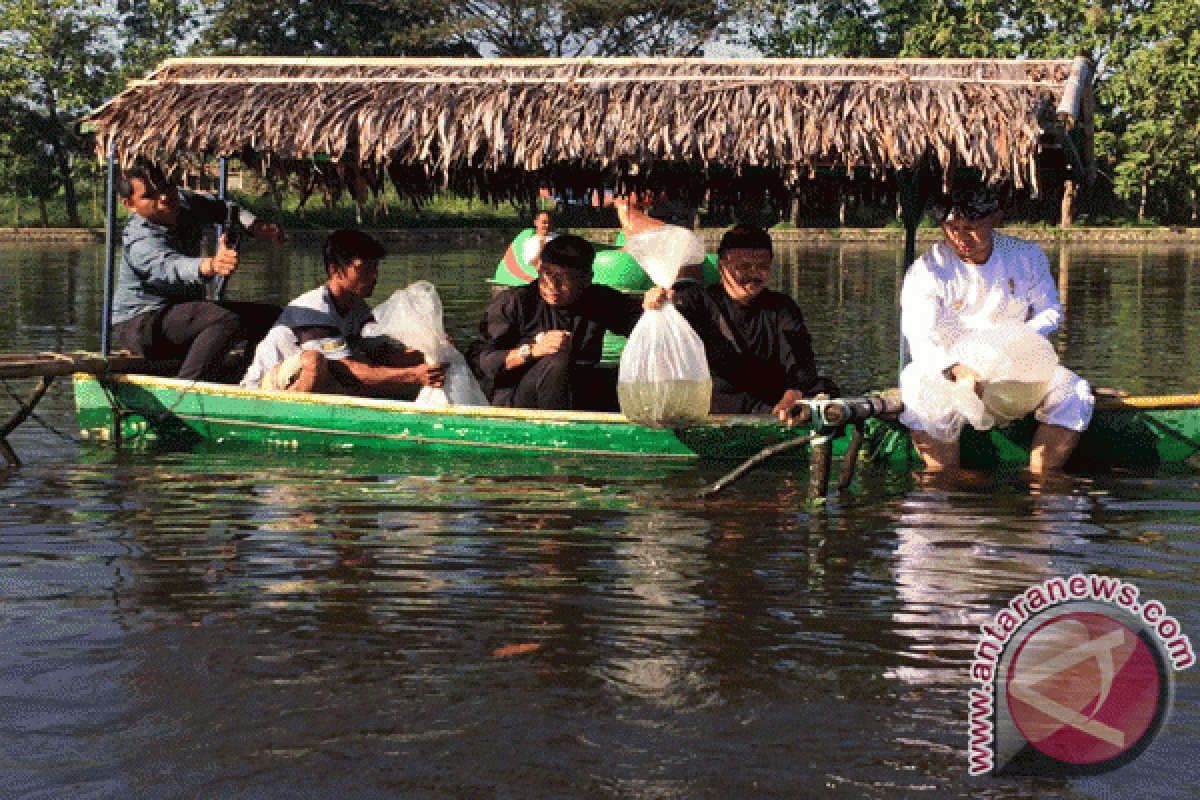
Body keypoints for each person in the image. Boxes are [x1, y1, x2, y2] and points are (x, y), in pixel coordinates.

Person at [899, 178, 1094, 472]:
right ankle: (940, 483)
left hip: (1015, 365)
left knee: (1074, 390)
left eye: (971, 228)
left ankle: (1042, 483)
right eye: (952, 229)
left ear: (994, 219)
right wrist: (956, 369)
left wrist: (1014, 341)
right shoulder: (927, 270)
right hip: (953, 373)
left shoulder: (1026, 255)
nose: (961, 238)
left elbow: (1051, 311)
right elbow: (920, 337)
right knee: (915, 383)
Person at [646, 225, 840, 421]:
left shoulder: (782, 307)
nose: (753, 274)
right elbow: (628, 318)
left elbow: (801, 361)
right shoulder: (694, 302)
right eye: (743, 267)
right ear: (722, 266)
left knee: (824, 387)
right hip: (719, 406)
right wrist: (658, 303)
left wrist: (794, 395)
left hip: (774, 407)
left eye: (762, 267)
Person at [112, 163, 285, 381]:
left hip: (183, 317)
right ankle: (184, 393)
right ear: (130, 205)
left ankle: (251, 380)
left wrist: (256, 227)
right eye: (150, 196)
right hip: (142, 324)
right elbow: (169, 267)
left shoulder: (184, 202)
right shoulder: (139, 238)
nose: (165, 198)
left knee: (271, 317)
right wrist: (210, 266)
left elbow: (226, 210)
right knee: (226, 319)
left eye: (167, 188)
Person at [242, 229, 446, 397]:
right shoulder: (314, 309)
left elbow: (383, 355)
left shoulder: (358, 308)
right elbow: (346, 370)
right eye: (364, 269)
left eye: (375, 268)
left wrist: (432, 350)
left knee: (363, 365)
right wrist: (412, 375)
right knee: (316, 361)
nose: (374, 276)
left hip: (323, 380)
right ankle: (287, 418)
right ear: (335, 271)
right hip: (263, 389)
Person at [469, 234, 645, 411]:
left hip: (575, 388)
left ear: (586, 279)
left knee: (625, 376)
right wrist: (531, 351)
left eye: (564, 277)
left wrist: (657, 305)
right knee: (556, 362)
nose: (552, 285)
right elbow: (477, 363)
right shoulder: (515, 302)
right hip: (519, 397)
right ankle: (557, 430)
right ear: (538, 270)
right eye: (547, 274)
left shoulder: (599, 299)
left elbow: (647, 328)